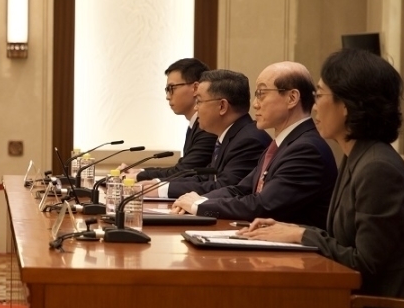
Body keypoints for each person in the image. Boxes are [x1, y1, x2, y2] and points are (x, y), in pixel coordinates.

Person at [240, 49, 404, 308]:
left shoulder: (377, 167)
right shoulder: (357, 156)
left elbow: (364, 263)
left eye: (320, 95)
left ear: (348, 105)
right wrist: (292, 230)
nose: (314, 106)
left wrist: (301, 236)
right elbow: (343, 240)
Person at [171, 62, 337, 229]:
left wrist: (199, 205)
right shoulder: (282, 144)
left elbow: (262, 205)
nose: (255, 104)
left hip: (292, 245)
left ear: (292, 98)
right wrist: (199, 200)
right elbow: (240, 189)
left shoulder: (307, 149)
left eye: (261, 94)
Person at [139, 69, 271, 198]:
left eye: (199, 101)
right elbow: (205, 178)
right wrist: (159, 185)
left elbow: (224, 187)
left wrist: (162, 190)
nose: (195, 108)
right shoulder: (231, 135)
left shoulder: (249, 141)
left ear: (222, 106)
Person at [134, 58, 217, 180]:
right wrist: (139, 172)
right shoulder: (194, 125)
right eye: (167, 90)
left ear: (195, 88)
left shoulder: (207, 128)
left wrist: (139, 175)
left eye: (171, 88)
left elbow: (185, 171)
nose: (168, 97)